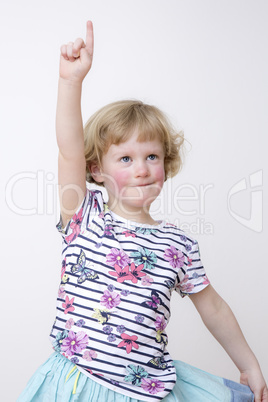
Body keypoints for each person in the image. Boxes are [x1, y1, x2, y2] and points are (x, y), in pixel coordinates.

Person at [18, 21, 267, 402]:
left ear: (165, 165)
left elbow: (213, 307)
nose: (141, 168)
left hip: (145, 391)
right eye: (125, 158)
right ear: (96, 169)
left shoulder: (179, 244)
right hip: (77, 384)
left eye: (152, 156)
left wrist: (249, 362)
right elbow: (69, 149)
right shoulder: (85, 216)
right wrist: (71, 82)